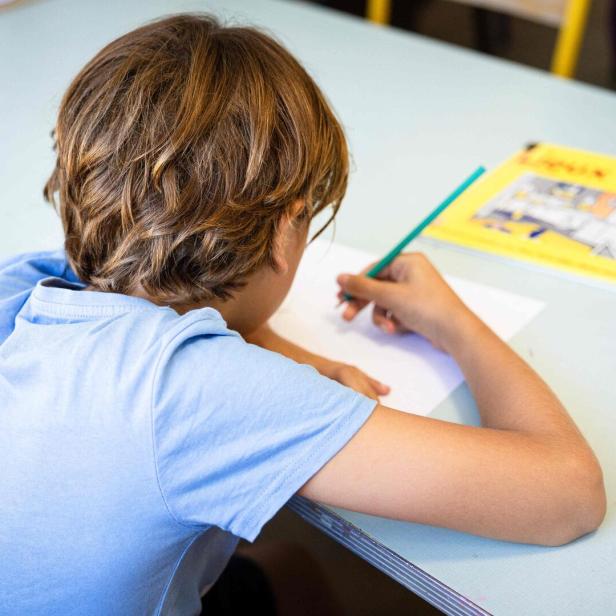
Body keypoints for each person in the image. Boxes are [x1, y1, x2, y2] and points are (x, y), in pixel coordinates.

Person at [0, 13, 605, 616]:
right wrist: (455, 323)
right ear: (287, 229)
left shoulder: (30, 285)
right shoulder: (194, 392)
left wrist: (303, 362)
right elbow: (569, 496)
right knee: (299, 576)